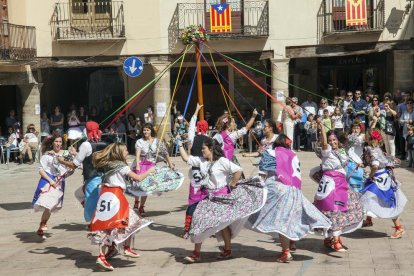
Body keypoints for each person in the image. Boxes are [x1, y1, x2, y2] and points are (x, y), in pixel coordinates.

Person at [177, 137, 265, 263]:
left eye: (204, 148)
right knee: (199, 221)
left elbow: (238, 170)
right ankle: (196, 253)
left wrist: (233, 184)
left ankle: (227, 250)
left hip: (222, 197)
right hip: (207, 197)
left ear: (211, 149)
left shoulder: (222, 161)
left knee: (223, 225)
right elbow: (186, 159)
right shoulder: (201, 161)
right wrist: (180, 145)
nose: (202, 151)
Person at [247, 134, 331, 263]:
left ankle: (286, 251)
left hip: (276, 189)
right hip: (294, 190)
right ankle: (291, 243)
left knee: (279, 221)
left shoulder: (269, 152)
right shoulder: (293, 154)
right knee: (290, 219)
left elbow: (263, 174)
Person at [89, 143, 154, 271]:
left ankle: (103, 255)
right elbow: (138, 178)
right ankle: (126, 248)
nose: (127, 151)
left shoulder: (108, 164)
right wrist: (150, 171)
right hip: (116, 198)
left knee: (104, 226)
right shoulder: (121, 166)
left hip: (106, 196)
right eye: (125, 150)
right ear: (119, 152)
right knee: (132, 221)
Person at [312, 124, 364, 252]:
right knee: (334, 211)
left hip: (342, 184)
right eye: (330, 140)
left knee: (349, 207)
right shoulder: (326, 151)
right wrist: (322, 128)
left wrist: (358, 163)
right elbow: (324, 143)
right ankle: (335, 240)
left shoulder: (341, 151)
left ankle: (331, 238)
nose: (332, 142)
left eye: (334, 140)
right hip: (331, 185)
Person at [360, 130, 407, 238]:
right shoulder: (376, 148)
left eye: (366, 136)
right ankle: (368, 219)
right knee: (372, 197)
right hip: (384, 177)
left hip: (379, 178)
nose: (364, 137)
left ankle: (399, 228)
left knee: (382, 201)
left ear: (370, 139)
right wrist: (363, 164)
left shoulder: (371, 150)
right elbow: (372, 162)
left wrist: (370, 175)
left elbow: (375, 165)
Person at [58, 121, 108, 222]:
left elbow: (74, 164)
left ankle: (94, 223)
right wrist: (76, 153)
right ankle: (97, 219)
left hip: (92, 178)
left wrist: (61, 160)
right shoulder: (104, 143)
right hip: (103, 177)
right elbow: (91, 157)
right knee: (79, 194)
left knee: (91, 201)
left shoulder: (85, 145)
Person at [32, 133, 73, 239]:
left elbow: (71, 168)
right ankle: (43, 224)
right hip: (47, 179)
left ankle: (42, 223)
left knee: (50, 206)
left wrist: (69, 171)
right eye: (56, 141)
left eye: (60, 142)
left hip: (59, 181)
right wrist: (50, 181)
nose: (58, 143)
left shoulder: (67, 154)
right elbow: (41, 170)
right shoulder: (47, 154)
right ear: (52, 142)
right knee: (46, 203)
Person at [180, 103, 209, 238]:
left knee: (193, 200)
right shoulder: (211, 140)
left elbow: (190, 127)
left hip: (195, 170)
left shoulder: (193, 137)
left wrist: (196, 110)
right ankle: (207, 226)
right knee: (207, 199)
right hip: (207, 171)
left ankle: (187, 228)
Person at [133, 123, 174, 215]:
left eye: (147, 130)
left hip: (151, 166)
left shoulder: (157, 141)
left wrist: (170, 163)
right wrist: (138, 165)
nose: (145, 131)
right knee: (138, 185)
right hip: (141, 164)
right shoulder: (140, 141)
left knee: (147, 187)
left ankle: (141, 207)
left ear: (151, 131)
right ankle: (136, 203)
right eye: (144, 130)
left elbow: (165, 152)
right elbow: (138, 154)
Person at [346, 123, 366, 192]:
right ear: (351, 129)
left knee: (358, 180)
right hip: (350, 160)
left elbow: (360, 141)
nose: (356, 130)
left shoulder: (363, 136)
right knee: (350, 180)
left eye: (357, 128)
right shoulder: (349, 136)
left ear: (360, 129)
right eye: (354, 128)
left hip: (359, 161)